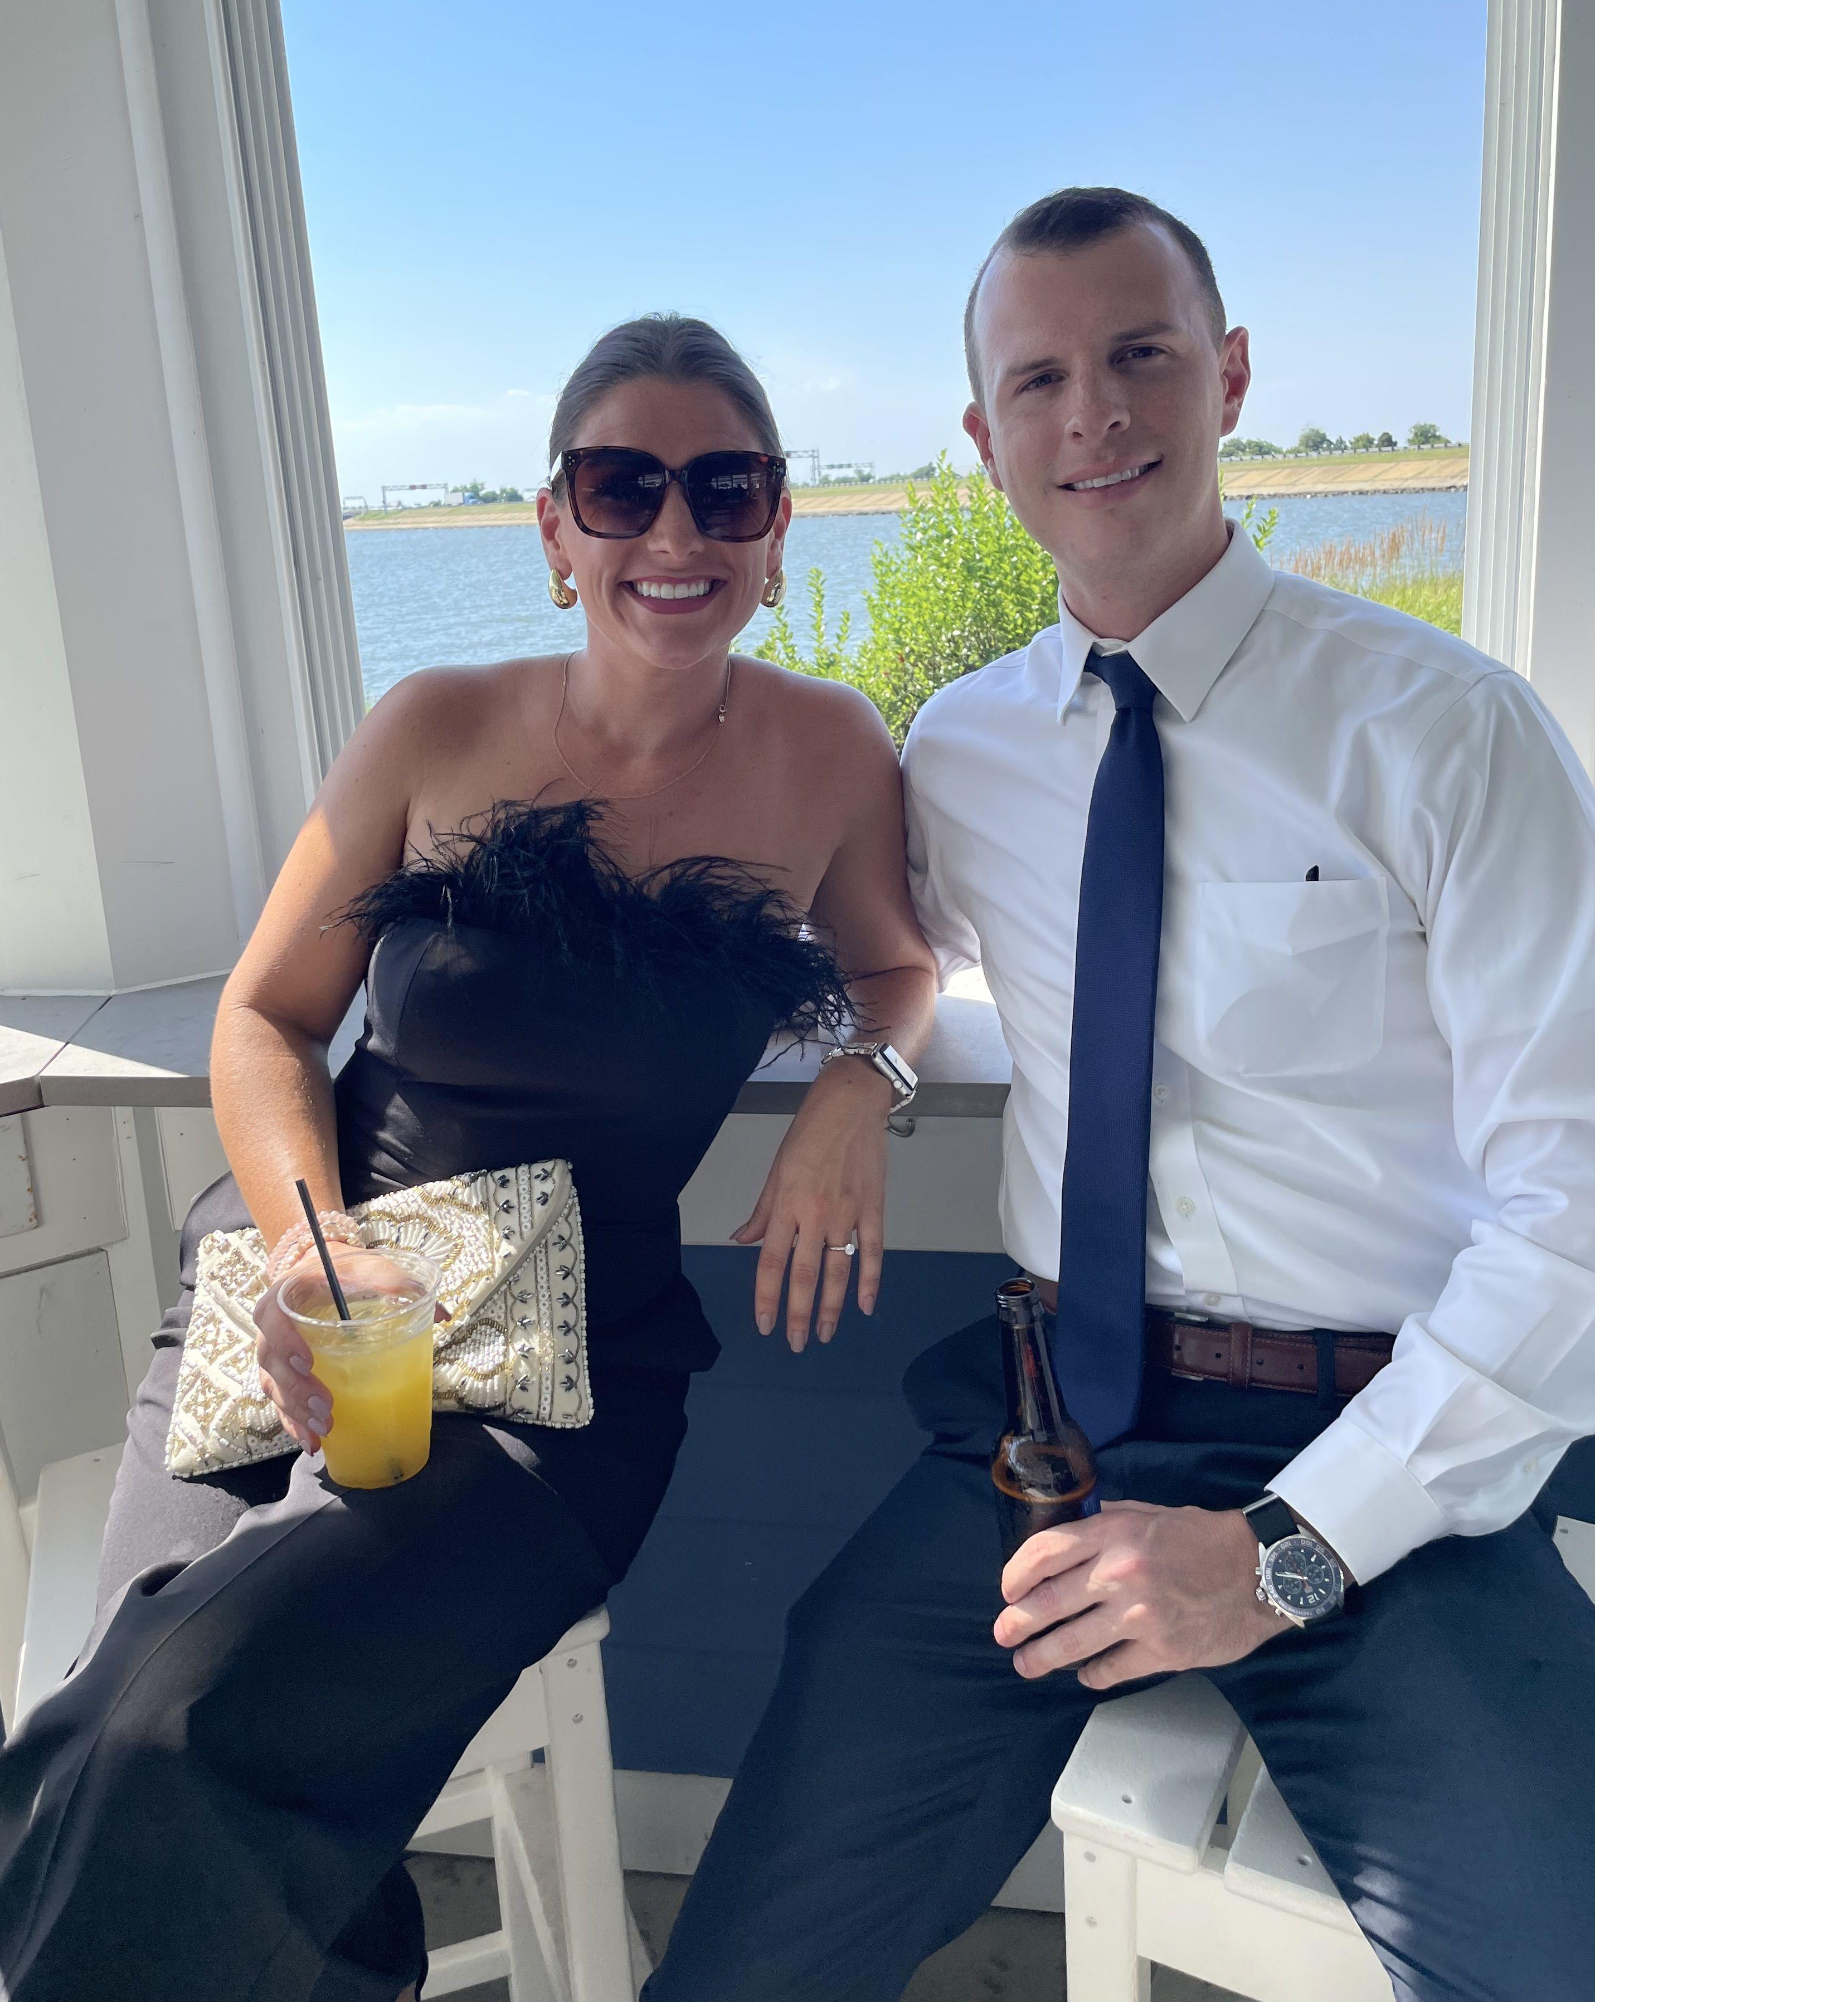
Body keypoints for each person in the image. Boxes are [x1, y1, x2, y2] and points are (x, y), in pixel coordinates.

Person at [647, 189, 1594, 2002]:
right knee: (754, 1958)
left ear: (1227, 377)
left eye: (1141, 355)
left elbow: (1593, 1209)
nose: (1094, 413)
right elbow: (873, 950)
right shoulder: (962, 748)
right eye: (1040, 379)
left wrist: (1285, 1556)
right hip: (1049, 1446)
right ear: (984, 436)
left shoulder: (1446, 733)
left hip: (1382, 1457)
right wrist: (858, 1070)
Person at [0, 314, 938, 2002]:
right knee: (143, 1720)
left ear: (779, 527)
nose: (677, 532)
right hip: (309, 1283)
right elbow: (265, 1018)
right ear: (555, 528)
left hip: (571, 1375)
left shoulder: (830, 755)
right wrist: (310, 1250)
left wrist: (866, 1085)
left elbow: (899, 967)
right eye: (622, 487)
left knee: (171, 1725)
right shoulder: (435, 725)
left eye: (728, 490)